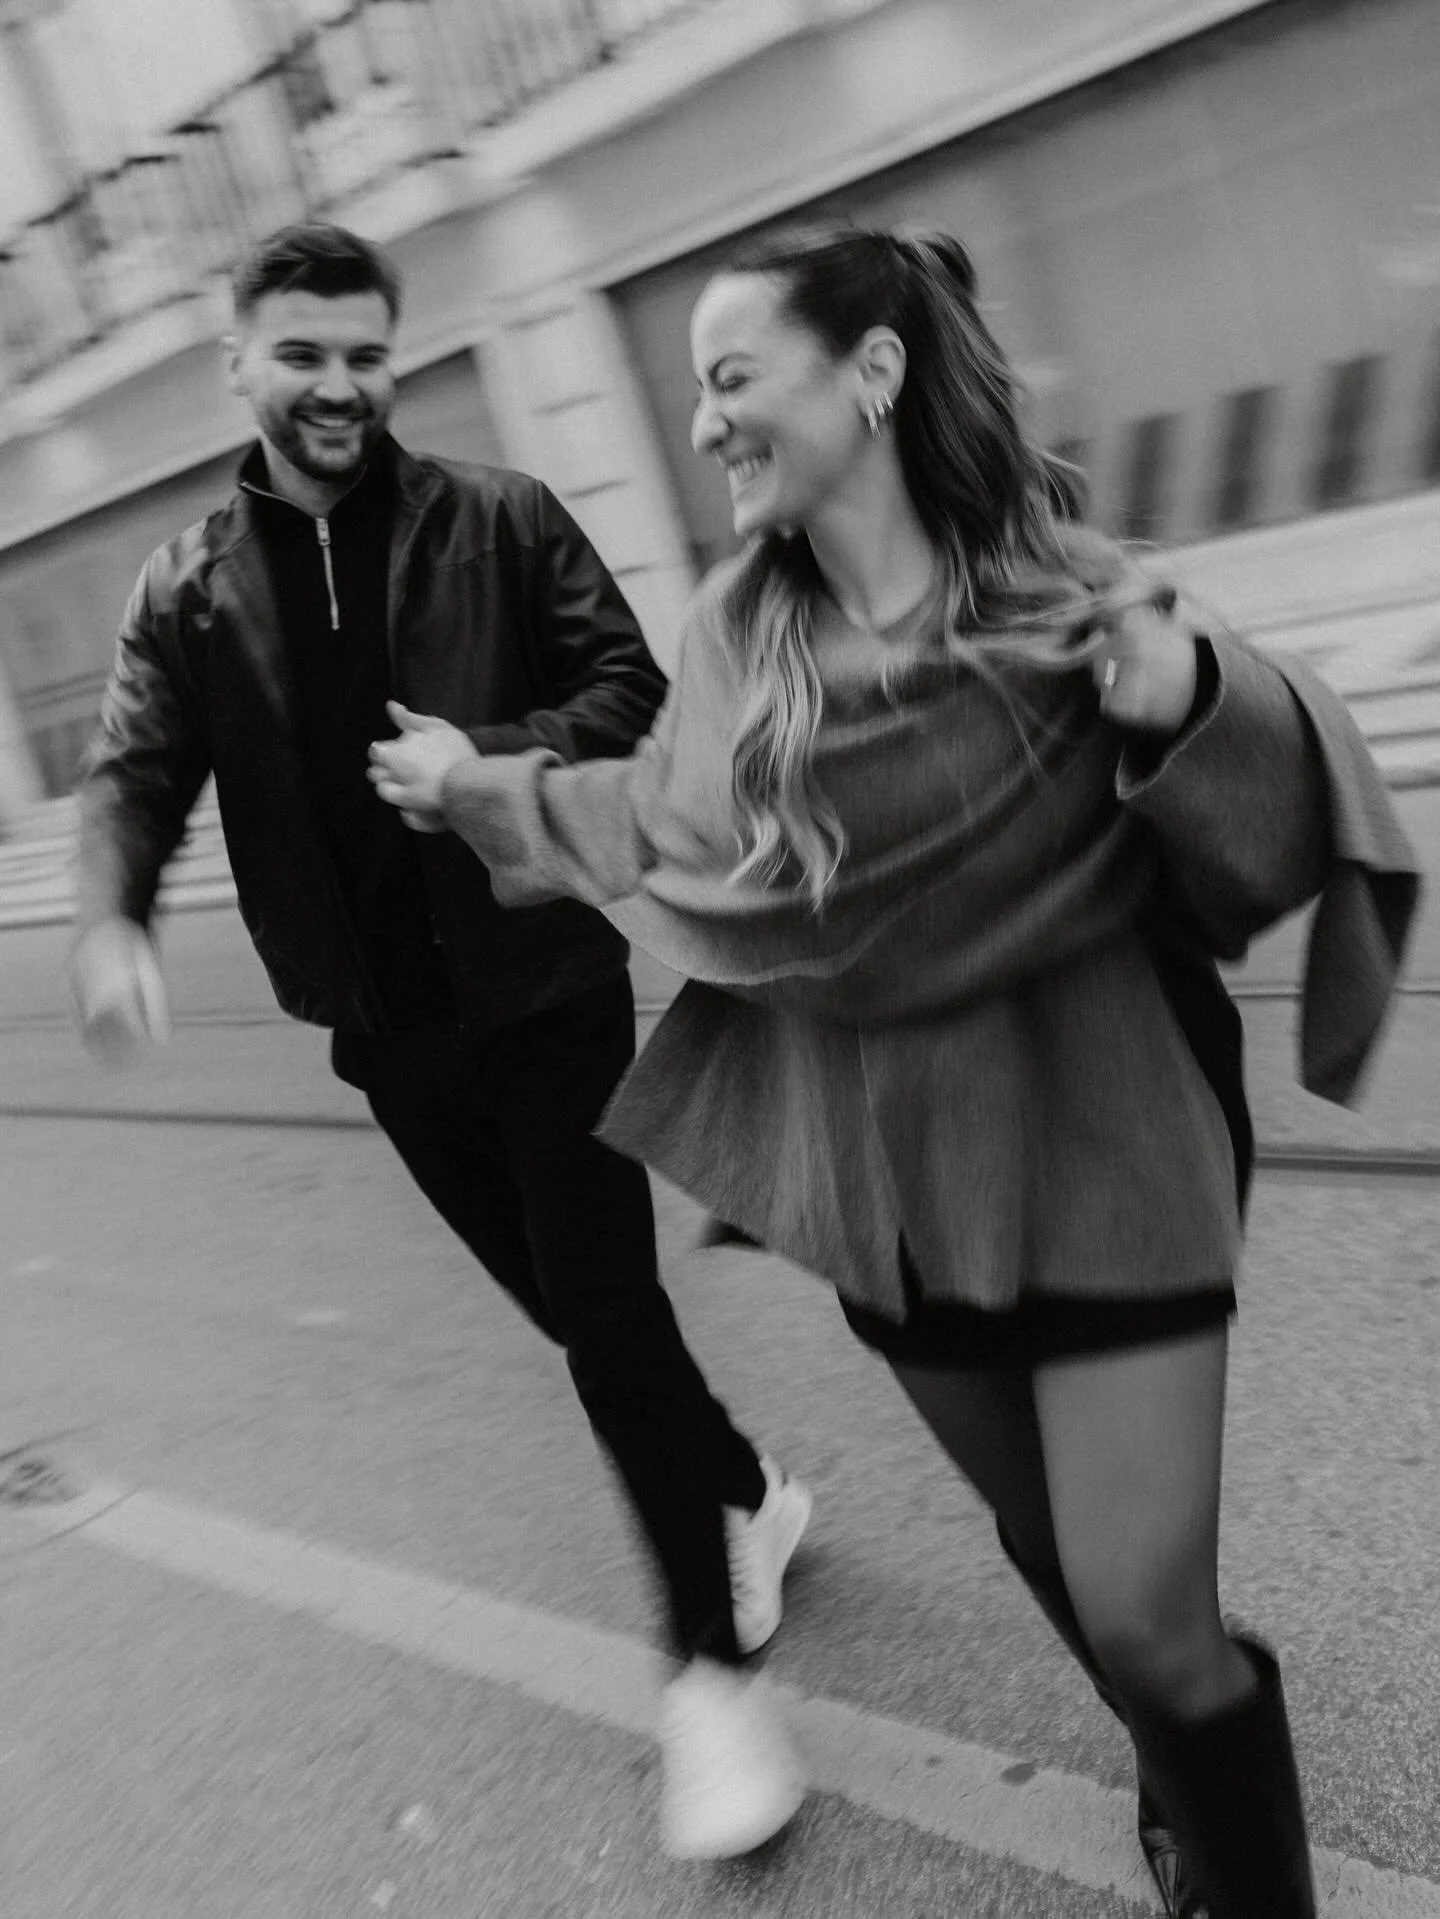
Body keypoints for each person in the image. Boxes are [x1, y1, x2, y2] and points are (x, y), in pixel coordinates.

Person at [367, 223, 1420, 1917]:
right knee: (1060, 1548)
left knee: (1154, 1608)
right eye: (694, 389)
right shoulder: (734, 636)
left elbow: (1276, 809)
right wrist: (480, 785)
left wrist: (1186, 696)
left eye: (731, 380)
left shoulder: (1076, 591)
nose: (705, 423)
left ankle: (1239, 1851)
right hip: (884, 1172)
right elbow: (657, 822)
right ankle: (1174, 1768)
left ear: (871, 373)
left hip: (1109, 1128)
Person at [69, 222, 814, 1862]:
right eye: (306, 355)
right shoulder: (187, 584)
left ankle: (712, 1676)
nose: (342, 385)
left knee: (608, 1324)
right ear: (241, 366)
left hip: (548, 994)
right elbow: (135, 769)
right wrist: (114, 907)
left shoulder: (501, 519)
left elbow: (628, 692)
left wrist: (484, 757)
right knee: (579, 1317)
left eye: (367, 355)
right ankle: (745, 1486)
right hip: (386, 1036)